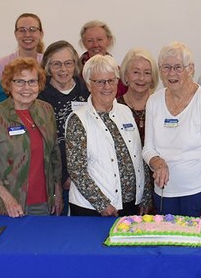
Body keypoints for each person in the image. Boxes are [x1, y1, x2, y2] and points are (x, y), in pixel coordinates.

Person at [142, 42, 201, 222]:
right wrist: (157, 162)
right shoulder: (154, 101)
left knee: (199, 245)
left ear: (190, 69)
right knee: (168, 245)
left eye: (178, 67)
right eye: (166, 67)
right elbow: (148, 148)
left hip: (200, 192)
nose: (171, 73)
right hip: (165, 193)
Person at [65, 55, 152, 217]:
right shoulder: (78, 119)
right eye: (100, 82)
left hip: (130, 204)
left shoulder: (125, 111)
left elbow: (139, 156)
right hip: (93, 208)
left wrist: (145, 196)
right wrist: (102, 204)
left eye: (111, 80)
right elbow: (77, 169)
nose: (107, 86)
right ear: (89, 85)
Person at [0, 58, 62, 216]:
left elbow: (54, 154)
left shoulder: (46, 111)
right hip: (5, 204)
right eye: (20, 81)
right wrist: (7, 198)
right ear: (9, 84)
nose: (26, 88)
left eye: (32, 81)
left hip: (42, 203)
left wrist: (56, 192)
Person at [39, 40, 90, 215]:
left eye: (68, 63)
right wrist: (60, 178)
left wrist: (75, 175)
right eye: (56, 64)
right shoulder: (38, 96)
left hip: (86, 175)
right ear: (47, 66)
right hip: (50, 177)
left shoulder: (87, 92)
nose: (63, 70)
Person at [117, 48, 158, 145]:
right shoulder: (116, 108)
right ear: (126, 75)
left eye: (147, 73)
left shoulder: (160, 106)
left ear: (153, 78)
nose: (141, 78)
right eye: (136, 72)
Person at [78, 20, 128, 97]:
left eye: (99, 39)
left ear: (109, 40)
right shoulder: (76, 74)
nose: (95, 45)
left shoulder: (120, 75)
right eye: (90, 41)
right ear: (83, 43)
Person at [0, 13, 45, 78]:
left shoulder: (48, 63)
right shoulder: (2, 64)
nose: (27, 35)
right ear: (15, 34)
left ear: (41, 34)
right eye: (22, 30)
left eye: (32, 29)